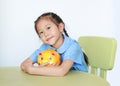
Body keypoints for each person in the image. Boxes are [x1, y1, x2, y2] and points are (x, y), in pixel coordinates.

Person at [20, 12, 88, 76]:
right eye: (41, 32)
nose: (46, 34)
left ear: (60, 27)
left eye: (48, 28)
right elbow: (23, 64)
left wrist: (32, 70)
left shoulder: (73, 46)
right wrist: (39, 68)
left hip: (79, 81)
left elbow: (62, 71)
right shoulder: (44, 47)